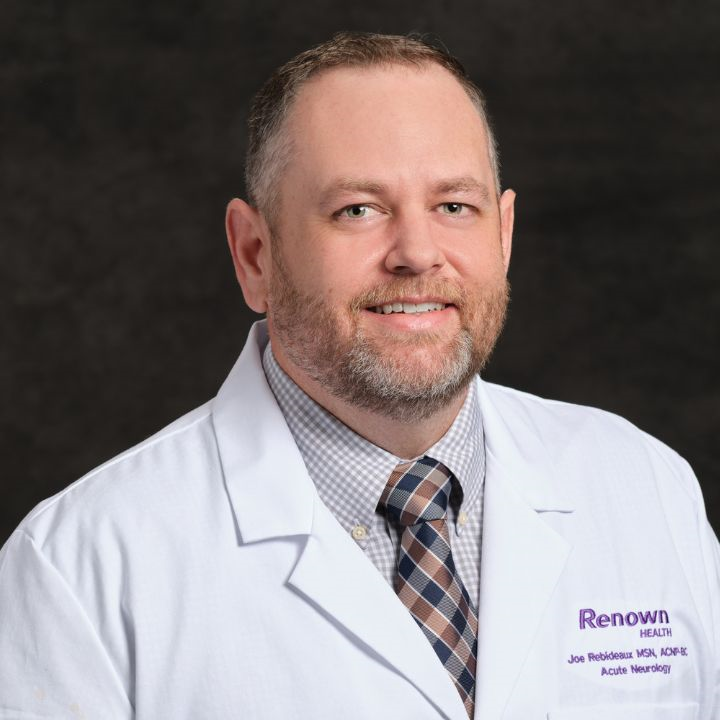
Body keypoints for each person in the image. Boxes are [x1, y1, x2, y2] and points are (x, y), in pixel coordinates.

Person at [0, 32, 717, 720]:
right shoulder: (80, 567)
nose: (417, 253)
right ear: (255, 255)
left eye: (454, 206)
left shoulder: (647, 489)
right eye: (358, 210)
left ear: (503, 235)